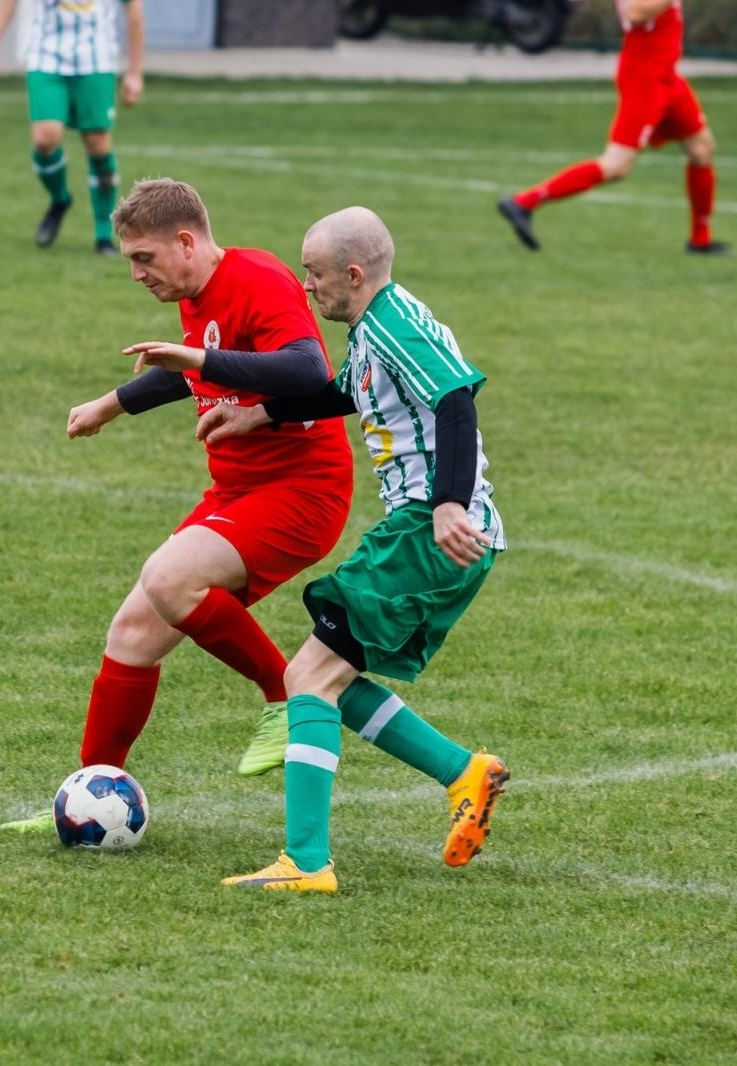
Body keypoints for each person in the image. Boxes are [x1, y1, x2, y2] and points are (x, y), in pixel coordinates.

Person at [0, 178, 355, 833]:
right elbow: (196, 365)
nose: (135, 274)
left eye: (144, 259)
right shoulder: (199, 292)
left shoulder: (259, 279)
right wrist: (112, 403)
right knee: (132, 632)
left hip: (301, 492)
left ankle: (285, 697)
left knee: (168, 578)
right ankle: (88, 796)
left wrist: (201, 357)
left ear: (186, 242)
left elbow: (307, 372)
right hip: (239, 491)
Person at [200, 207, 508, 892]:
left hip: (428, 529)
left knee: (306, 679)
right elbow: (348, 390)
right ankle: (464, 772)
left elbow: (456, 400)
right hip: (422, 529)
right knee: (324, 679)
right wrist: (260, 414)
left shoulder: (394, 325)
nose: (307, 288)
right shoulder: (378, 328)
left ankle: (306, 863)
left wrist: (450, 504)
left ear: (353, 273)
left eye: (313, 275)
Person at [497, 0, 727, 255]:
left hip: (668, 77)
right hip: (645, 79)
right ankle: (524, 203)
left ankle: (700, 239)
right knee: (615, 166)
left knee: (701, 148)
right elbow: (635, 12)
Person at [0, 0, 145, 255]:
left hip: (97, 60)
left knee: (97, 143)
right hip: (46, 58)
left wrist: (135, 72)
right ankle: (60, 199)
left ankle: (103, 235)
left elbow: (134, 11)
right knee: (45, 138)